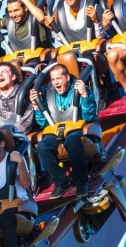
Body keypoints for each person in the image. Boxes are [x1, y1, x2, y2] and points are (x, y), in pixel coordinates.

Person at [30, 63, 97, 198]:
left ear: (66, 77)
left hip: (76, 126)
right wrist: (37, 108)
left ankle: (81, 182)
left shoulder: (80, 89)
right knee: (42, 146)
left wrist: (84, 96)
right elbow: (43, 122)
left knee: (72, 141)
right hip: (56, 129)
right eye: (53, 79)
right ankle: (61, 183)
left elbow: (89, 116)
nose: (56, 82)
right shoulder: (48, 92)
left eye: (58, 79)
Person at [24, 0, 98, 47]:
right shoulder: (60, 10)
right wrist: (52, 29)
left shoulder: (92, 7)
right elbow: (63, 41)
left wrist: (96, 20)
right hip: (72, 49)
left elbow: (101, 36)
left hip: (90, 47)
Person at [0, 62, 35, 135]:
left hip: (18, 137)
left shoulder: (23, 93)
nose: (0, 74)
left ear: (13, 76)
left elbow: (27, 121)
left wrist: (6, 134)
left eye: (4, 72)